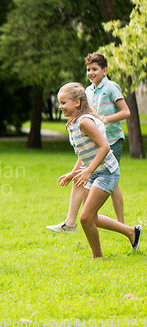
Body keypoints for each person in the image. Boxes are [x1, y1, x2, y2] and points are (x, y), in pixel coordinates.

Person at [47, 53, 131, 232]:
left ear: (105, 70)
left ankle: (123, 225)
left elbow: (126, 112)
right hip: (91, 141)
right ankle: (70, 222)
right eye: (88, 69)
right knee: (85, 175)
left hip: (111, 140)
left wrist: (101, 120)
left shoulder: (111, 87)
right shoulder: (88, 91)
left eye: (95, 69)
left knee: (110, 181)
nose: (90, 72)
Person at [55, 82, 141, 258]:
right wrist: (74, 173)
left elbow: (104, 147)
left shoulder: (85, 122)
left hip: (107, 172)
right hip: (94, 172)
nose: (60, 106)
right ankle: (132, 232)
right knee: (92, 218)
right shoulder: (74, 122)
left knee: (85, 218)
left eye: (64, 102)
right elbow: (85, 152)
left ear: (77, 102)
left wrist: (88, 171)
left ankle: (98, 256)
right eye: (60, 103)